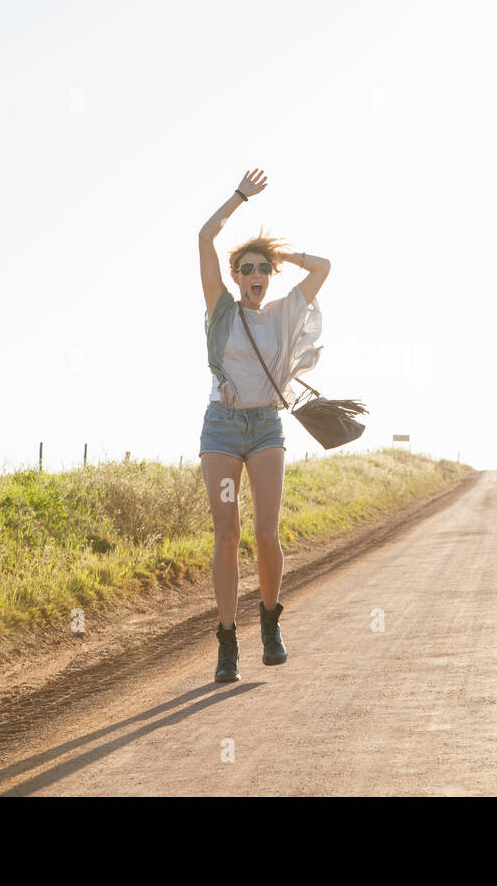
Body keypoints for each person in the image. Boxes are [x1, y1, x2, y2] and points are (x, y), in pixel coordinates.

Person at [197, 168, 330, 683]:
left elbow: (323, 267)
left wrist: (282, 255)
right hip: (224, 430)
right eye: (247, 268)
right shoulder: (220, 308)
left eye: (263, 269)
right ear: (234, 276)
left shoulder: (281, 313)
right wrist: (238, 198)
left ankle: (270, 625)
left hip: (266, 430)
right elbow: (204, 237)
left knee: (267, 533)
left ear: (269, 275)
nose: (256, 275)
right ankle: (226, 643)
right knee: (227, 533)